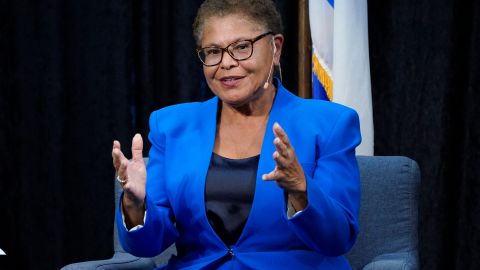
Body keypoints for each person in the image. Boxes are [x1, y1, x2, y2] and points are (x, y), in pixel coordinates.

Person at [111, 0, 361, 269]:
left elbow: (338, 239)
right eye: (213, 51)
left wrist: (301, 190)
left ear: (275, 48)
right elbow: (146, 245)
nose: (227, 63)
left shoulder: (330, 124)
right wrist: (135, 204)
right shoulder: (171, 126)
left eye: (242, 47)